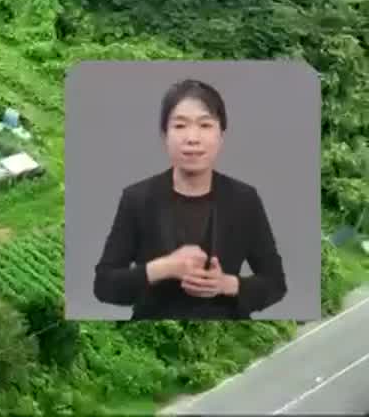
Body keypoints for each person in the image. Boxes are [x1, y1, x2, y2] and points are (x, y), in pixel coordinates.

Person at [92, 79, 286, 319]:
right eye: (180, 126)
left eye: (205, 125)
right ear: (165, 135)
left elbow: (276, 283)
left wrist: (227, 284)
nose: (192, 138)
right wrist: (164, 268)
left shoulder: (244, 199)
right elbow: (104, 285)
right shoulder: (138, 199)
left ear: (221, 135)